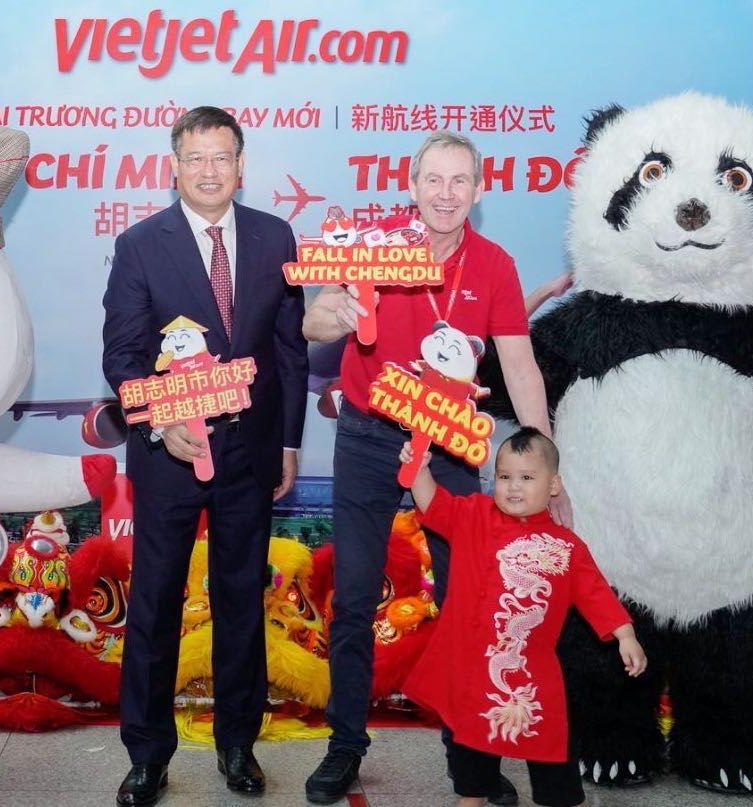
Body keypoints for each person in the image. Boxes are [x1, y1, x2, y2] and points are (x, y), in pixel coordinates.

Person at [301, 130, 565, 804]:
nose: (446, 194)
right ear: (412, 186)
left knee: (467, 600)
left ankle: (468, 754)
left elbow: (520, 367)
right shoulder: (377, 245)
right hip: (368, 435)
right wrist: (337, 312)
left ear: (478, 191)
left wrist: (547, 462)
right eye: (434, 180)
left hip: (447, 445)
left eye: (459, 181)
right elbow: (314, 324)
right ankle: (345, 744)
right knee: (354, 596)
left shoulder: (495, 265)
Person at [101, 105, 308, 807]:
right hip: (169, 457)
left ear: (241, 165)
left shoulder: (275, 236)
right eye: (195, 158)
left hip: (250, 454)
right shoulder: (140, 245)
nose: (209, 170)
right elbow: (123, 355)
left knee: (242, 599)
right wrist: (162, 422)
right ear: (174, 167)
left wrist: (288, 442)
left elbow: (288, 348)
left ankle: (237, 744)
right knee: (156, 603)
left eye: (222, 157)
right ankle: (147, 756)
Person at [401, 428, 646, 807]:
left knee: (551, 749)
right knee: (471, 761)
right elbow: (433, 503)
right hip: (474, 673)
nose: (514, 487)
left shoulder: (565, 546)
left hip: (534, 677)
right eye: (504, 477)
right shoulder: (473, 515)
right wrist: (418, 468)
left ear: (553, 485)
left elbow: (596, 592)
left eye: (527, 477)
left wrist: (625, 634)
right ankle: (472, 798)